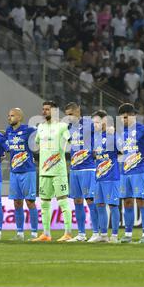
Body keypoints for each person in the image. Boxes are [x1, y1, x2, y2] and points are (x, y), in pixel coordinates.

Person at [32, 101, 72, 242]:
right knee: (44, 203)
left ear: (54, 111)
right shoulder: (40, 127)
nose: (44, 112)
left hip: (58, 170)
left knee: (63, 202)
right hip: (44, 170)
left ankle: (68, 233)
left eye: (47, 109)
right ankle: (46, 234)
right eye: (43, 109)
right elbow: (37, 142)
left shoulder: (62, 126)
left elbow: (70, 140)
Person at [117, 103, 144, 244]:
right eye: (121, 118)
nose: (123, 120)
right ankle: (128, 234)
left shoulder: (143, 129)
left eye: (126, 117)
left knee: (141, 201)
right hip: (124, 172)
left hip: (138, 171)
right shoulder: (120, 132)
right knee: (127, 202)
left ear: (133, 115)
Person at [64, 102, 98, 242]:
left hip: (88, 168)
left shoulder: (89, 123)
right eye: (67, 115)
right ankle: (81, 234)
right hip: (74, 169)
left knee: (90, 200)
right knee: (77, 200)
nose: (69, 117)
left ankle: (96, 232)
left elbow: (101, 135)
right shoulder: (69, 127)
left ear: (78, 111)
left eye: (71, 114)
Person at [6, 108, 38, 241]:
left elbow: (38, 142)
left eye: (12, 116)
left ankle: (34, 233)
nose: (9, 118)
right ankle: (19, 233)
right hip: (14, 172)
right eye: (8, 116)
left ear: (19, 117)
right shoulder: (8, 131)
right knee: (17, 203)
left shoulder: (29, 130)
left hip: (27, 171)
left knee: (30, 202)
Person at [91, 109, 120, 243]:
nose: (95, 125)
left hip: (111, 176)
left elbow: (123, 150)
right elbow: (95, 155)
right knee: (99, 205)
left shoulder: (112, 135)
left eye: (97, 122)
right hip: (99, 177)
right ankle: (103, 235)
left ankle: (114, 235)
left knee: (113, 205)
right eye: (93, 123)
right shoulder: (95, 138)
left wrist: (116, 135)